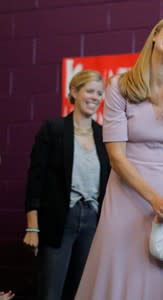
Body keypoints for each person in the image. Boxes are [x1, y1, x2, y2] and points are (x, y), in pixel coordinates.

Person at [75, 13, 163, 300]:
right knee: (119, 274)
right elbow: (117, 157)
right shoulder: (119, 86)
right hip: (126, 195)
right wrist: (154, 199)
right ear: (155, 34)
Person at [23, 70, 110, 300]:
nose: (95, 97)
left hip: (92, 219)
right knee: (51, 291)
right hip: (60, 218)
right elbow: (35, 179)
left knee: (80, 291)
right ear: (74, 91)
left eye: (99, 93)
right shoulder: (53, 130)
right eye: (89, 91)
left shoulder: (104, 136)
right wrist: (32, 227)